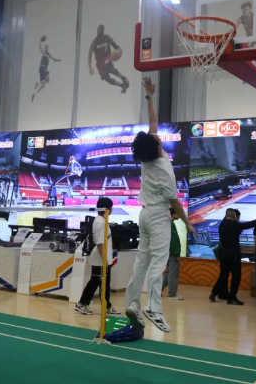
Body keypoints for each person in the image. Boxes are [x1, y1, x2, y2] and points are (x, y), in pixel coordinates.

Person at [124, 77, 197, 333]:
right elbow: (174, 202)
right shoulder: (164, 170)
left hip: (144, 215)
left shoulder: (148, 157)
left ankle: (132, 304)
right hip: (157, 217)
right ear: (157, 148)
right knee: (158, 262)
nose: (159, 138)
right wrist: (187, 223)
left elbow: (153, 121)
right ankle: (154, 308)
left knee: (141, 262)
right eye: (157, 140)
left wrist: (149, 95)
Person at [74, 197, 121, 316]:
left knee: (99, 283)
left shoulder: (101, 220)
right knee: (99, 282)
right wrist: (105, 261)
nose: (112, 210)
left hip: (101, 257)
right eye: (111, 208)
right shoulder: (100, 222)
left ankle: (103, 306)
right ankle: (86, 304)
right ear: (107, 209)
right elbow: (100, 243)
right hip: (100, 258)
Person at [210, 208, 256, 305]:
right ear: (234, 216)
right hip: (234, 255)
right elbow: (248, 225)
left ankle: (213, 293)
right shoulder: (234, 225)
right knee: (236, 276)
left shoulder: (222, 225)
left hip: (224, 254)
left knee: (223, 275)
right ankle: (232, 298)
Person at [88, 24, 129, 93]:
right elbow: (89, 54)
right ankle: (122, 85)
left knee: (109, 67)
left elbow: (115, 46)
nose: (98, 33)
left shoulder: (107, 38)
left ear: (102, 31)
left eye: (99, 31)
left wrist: (120, 50)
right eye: (97, 31)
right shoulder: (94, 41)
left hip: (107, 58)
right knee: (108, 79)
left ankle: (124, 78)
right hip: (99, 63)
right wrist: (90, 67)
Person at [161, 208, 184, 300]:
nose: (180, 216)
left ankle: (158, 290)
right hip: (172, 253)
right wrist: (176, 253)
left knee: (168, 273)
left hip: (167, 252)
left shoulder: (166, 224)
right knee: (173, 274)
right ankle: (172, 294)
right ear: (173, 214)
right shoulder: (171, 225)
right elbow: (173, 241)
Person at [32, 37, 61, 102]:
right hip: (42, 68)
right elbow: (40, 46)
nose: (46, 48)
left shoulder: (48, 54)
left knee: (43, 86)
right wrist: (40, 41)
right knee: (48, 79)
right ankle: (37, 83)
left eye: (47, 48)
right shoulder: (43, 53)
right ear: (44, 48)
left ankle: (35, 94)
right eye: (45, 47)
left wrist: (58, 60)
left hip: (43, 69)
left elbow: (54, 59)